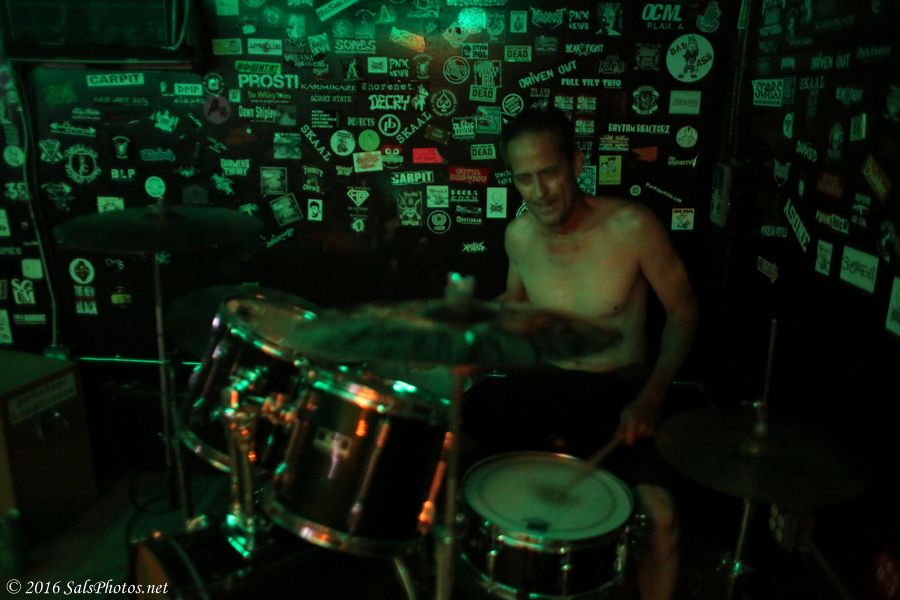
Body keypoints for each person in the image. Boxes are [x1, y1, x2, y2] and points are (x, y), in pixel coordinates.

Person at [462, 106, 698, 600]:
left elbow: (683, 313)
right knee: (454, 462)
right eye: (524, 179)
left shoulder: (632, 226)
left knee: (661, 519)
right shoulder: (519, 235)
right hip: (545, 382)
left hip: (622, 389)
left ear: (575, 162)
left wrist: (653, 397)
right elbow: (517, 299)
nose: (539, 192)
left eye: (549, 172)